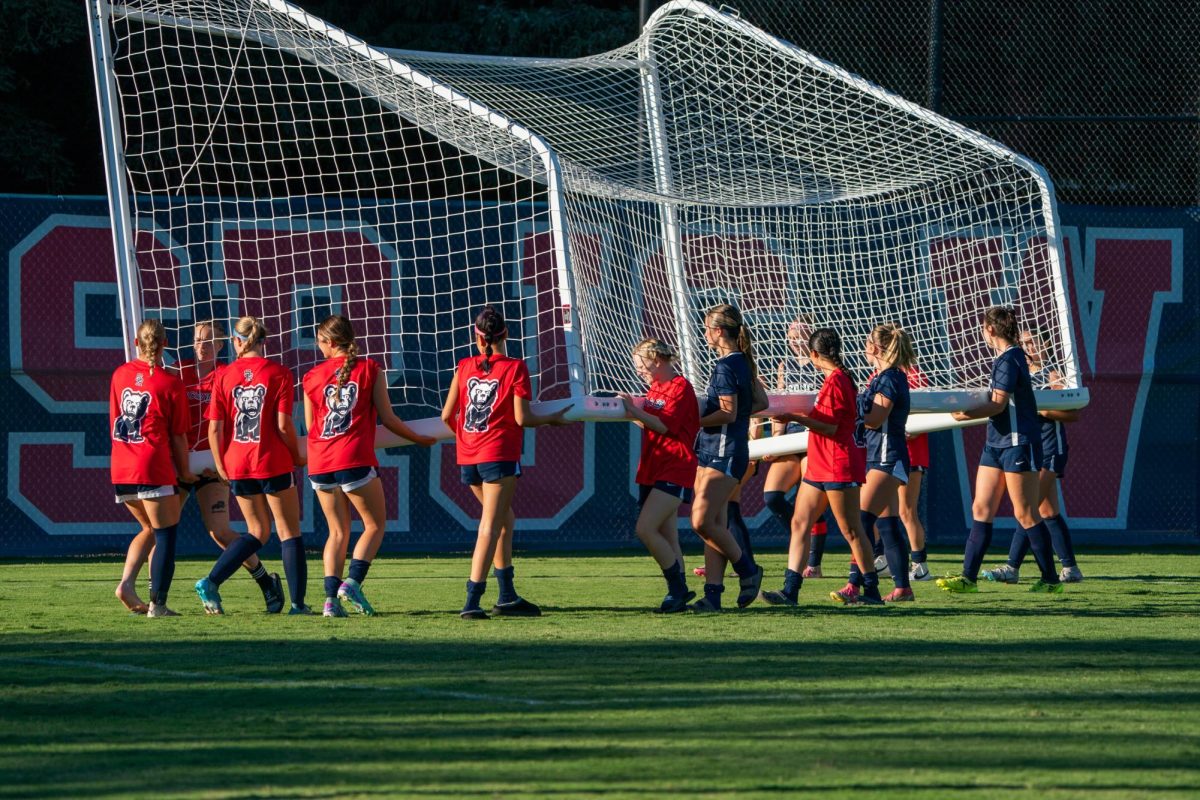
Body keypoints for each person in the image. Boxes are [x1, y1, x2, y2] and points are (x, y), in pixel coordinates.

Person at [441, 305, 571, 619]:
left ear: (477, 336)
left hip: (469, 457)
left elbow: (448, 416)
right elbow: (522, 417)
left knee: (504, 521)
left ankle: (508, 595)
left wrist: (467, 439)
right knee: (490, 525)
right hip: (497, 454)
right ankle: (473, 599)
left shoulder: (464, 367)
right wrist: (553, 418)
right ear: (506, 334)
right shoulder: (514, 368)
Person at [303, 315, 437, 617]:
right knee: (375, 524)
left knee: (336, 532)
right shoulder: (370, 370)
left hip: (320, 462)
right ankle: (351, 582)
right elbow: (388, 419)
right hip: (352, 458)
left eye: (320, 341)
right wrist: (418, 438)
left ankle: (330, 602)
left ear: (331, 342)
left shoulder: (311, 377)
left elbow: (312, 426)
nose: (318, 346)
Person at [939, 307, 1064, 594]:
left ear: (991, 330)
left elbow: (997, 404)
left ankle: (1050, 579)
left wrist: (964, 414)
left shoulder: (1010, 358)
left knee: (1026, 514)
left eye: (983, 328)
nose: (982, 332)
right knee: (980, 508)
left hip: (1017, 442)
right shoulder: (1004, 359)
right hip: (995, 442)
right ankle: (967, 578)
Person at [195, 316, 310, 614]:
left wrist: (221, 466)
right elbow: (284, 426)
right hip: (272, 460)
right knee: (288, 532)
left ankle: (211, 581)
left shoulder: (223, 376)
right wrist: (296, 455)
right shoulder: (280, 373)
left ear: (236, 342)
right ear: (263, 342)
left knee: (257, 532)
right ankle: (297, 604)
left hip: (238, 463)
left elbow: (214, 430)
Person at [761, 328, 880, 606]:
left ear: (814, 354)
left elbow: (831, 427)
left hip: (838, 464)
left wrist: (796, 417)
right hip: (819, 463)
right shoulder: (833, 380)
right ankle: (790, 590)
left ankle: (871, 590)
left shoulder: (838, 381)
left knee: (852, 530)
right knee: (800, 522)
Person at [174, 320, 285, 613]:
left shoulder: (226, 374)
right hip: (181, 462)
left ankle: (266, 583)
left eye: (209, 341)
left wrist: (220, 463)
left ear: (222, 345)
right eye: (197, 339)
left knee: (221, 532)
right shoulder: (178, 371)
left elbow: (226, 426)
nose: (201, 345)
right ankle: (155, 600)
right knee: (160, 530)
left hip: (213, 466)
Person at [981, 328, 1082, 584]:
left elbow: (1072, 414)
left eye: (1032, 343)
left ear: (1045, 346)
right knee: (1047, 510)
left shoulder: (1052, 374)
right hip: (1032, 448)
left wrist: (1043, 411)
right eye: (1023, 343)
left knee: (1028, 507)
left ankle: (1012, 566)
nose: (1027, 347)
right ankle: (1070, 568)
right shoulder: (1019, 372)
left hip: (1050, 449)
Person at [110, 319, 196, 617]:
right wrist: (185, 472)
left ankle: (126, 584)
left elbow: (114, 420)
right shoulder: (170, 382)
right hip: (151, 465)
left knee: (148, 528)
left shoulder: (120, 374)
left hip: (121, 465)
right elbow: (178, 435)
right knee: (165, 534)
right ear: (165, 345)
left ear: (137, 343)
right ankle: (158, 605)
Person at [687, 303, 767, 613]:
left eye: (707, 328)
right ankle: (713, 595)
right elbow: (761, 401)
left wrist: (691, 420)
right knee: (714, 524)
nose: (705, 333)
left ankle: (748, 570)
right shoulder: (741, 362)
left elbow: (728, 412)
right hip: (713, 450)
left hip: (725, 452)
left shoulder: (725, 366)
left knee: (702, 521)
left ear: (719, 332)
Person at [837, 323, 915, 603]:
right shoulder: (881, 377)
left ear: (875, 347)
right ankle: (903, 588)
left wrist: (853, 407)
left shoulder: (890, 378)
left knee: (860, 521)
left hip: (887, 456)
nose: (863, 346)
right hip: (878, 455)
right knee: (887, 524)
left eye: (867, 342)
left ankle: (855, 584)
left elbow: (874, 419)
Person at [620, 338, 699, 613]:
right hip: (653, 466)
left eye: (640, 362)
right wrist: (630, 413)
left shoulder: (680, 387)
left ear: (656, 358)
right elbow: (651, 424)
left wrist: (633, 410)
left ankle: (678, 588)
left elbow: (665, 427)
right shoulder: (654, 387)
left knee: (645, 528)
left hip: (675, 465)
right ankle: (677, 594)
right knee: (669, 536)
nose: (638, 368)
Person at [760, 316, 833, 578]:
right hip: (789, 439)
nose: (793, 341)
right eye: (790, 336)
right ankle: (801, 537)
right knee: (772, 496)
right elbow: (779, 406)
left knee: (809, 505)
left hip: (813, 440)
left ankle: (813, 564)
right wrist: (775, 441)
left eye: (798, 335)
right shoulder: (785, 366)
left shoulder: (822, 368)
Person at [899, 362, 933, 582]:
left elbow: (924, 413)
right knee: (877, 511)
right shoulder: (876, 374)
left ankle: (920, 565)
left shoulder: (914, 374)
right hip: (885, 453)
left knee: (906, 510)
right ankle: (880, 558)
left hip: (910, 453)